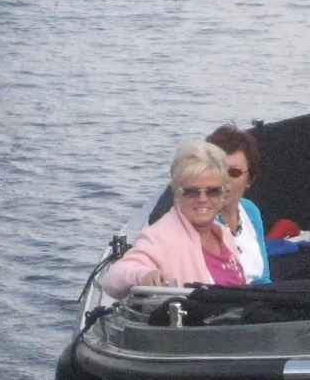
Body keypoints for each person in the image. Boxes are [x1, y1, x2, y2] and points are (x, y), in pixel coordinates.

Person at [102, 142, 249, 297]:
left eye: (212, 191)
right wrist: (145, 274)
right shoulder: (160, 236)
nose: (202, 199)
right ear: (177, 194)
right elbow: (113, 279)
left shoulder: (223, 233)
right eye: (192, 192)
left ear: (222, 193)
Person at [206, 124, 271, 283]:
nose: (223, 181)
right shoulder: (198, 216)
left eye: (233, 173)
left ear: (250, 178)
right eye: (217, 170)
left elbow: (263, 278)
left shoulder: (250, 210)